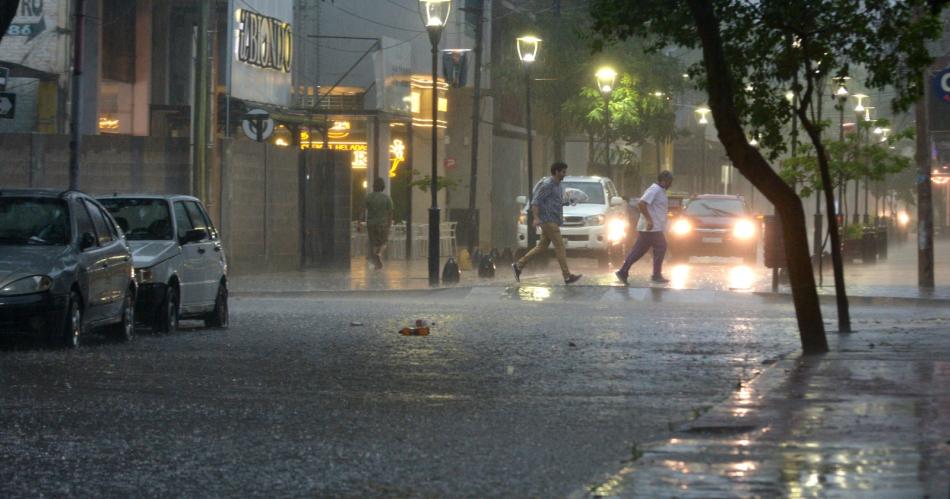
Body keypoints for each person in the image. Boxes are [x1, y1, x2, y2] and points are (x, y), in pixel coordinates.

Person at [511, 162, 583, 284]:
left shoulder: (558, 186)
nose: (564, 175)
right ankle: (567, 276)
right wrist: (536, 218)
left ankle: (518, 265)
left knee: (541, 247)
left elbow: (556, 203)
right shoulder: (547, 185)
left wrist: (569, 202)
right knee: (560, 247)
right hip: (548, 222)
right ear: (556, 172)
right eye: (563, 172)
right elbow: (535, 202)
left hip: (553, 220)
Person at [615, 170, 674, 285]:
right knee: (661, 246)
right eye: (669, 182)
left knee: (639, 250)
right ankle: (656, 275)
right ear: (663, 181)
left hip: (653, 227)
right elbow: (641, 204)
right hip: (651, 227)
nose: (670, 184)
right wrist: (649, 220)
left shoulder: (661, 191)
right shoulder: (654, 189)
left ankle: (623, 271)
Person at [365, 177, 393, 269]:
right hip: (383, 223)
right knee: (384, 242)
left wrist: (358, 221)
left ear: (374, 186)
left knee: (374, 243)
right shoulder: (387, 198)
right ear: (383, 187)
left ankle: (376, 262)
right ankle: (379, 253)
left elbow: (361, 209)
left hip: (371, 223)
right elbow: (390, 212)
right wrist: (389, 224)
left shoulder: (369, 197)